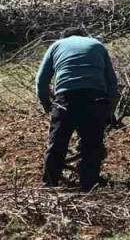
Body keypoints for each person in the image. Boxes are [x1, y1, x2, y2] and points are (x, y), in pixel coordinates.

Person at [34, 27, 118, 192]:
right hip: (96, 99)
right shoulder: (97, 45)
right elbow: (113, 83)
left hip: (66, 99)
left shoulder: (56, 45)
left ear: (64, 36)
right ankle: (89, 188)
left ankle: (49, 187)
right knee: (92, 147)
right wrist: (109, 112)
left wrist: (48, 107)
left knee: (57, 145)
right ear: (84, 36)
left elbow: (41, 82)